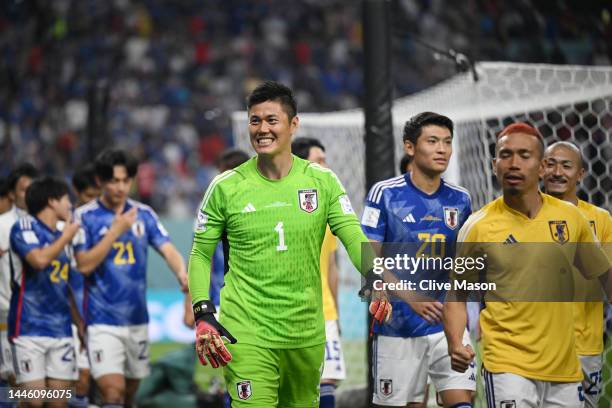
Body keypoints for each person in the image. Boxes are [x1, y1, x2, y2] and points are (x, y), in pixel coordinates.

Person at [188, 81, 390, 407]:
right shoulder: (225, 187)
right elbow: (200, 253)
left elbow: (352, 232)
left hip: (305, 333)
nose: (262, 129)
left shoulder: (322, 181)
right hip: (246, 332)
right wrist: (202, 312)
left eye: (272, 120)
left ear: (293, 125)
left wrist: (375, 275)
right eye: (255, 121)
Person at [444, 123, 611, 407]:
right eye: (505, 155)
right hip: (508, 366)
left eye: (524, 155)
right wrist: (456, 342)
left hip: (565, 369)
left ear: (542, 166)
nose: (513, 163)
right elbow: (457, 296)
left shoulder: (572, 219)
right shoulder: (478, 227)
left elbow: (605, 277)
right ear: (495, 165)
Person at [362, 112, 475, 408]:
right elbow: (367, 256)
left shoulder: (461, 200)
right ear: (410, 147)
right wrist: (410, 297)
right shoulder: (384, 194)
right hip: (397, 327)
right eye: (433, 141)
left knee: (462, 400)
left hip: (446, 324)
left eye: (447, 142)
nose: (442, 149)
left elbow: (462, 266)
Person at [73, 149, 188, 408]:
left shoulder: (143, 214)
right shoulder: (85, 218)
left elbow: (168, 249)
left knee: (129, 395)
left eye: (126, 180)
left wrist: (182, 274)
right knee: (113, 393)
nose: (121, 187)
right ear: (101, 181)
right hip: (102, 321)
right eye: (114, 181)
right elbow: (84, 266)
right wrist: (115, 231)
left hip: (137, 319)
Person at [543, 141, 611, 407]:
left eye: (567, 165)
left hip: (584, 344)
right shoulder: (523, 215)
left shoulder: (601, 219)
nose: (557, 171)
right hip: (537, 344)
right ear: (540, 169)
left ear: (581, 174)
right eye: (550, 164)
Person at [8, 176, 81, 408]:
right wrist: (65, 237)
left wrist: (80, 325)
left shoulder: (63, 234)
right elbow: (38, 260)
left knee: (58, 403)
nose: (70, 204)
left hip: (61, 329)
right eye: (65, 199)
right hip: (29, 328)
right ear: (51, 201)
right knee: (33, 401)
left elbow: (66, 286)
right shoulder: (24, 227)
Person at [292, 137, 345, 408]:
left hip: (324, 313)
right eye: (319, 159)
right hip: (289, 314)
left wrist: (336, 313)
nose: (326, 165)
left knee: (327, 381)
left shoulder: (327, 209)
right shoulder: (284, 207)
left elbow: (332, 267)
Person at [0, 163, 39, 387]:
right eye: (23, 189)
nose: (29, 194)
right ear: (13, 194)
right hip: (9, 314)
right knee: (15, 380)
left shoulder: (51, 224)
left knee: (55, 388)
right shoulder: (2, 225)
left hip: (45, 318)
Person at [68, 164, 101, 408]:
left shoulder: (104, 226)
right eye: (88, 196)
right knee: (79, 379)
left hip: (100, 314)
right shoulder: (65, 228)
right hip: (70, 314)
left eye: (96, 197)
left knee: (99, 382)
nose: (93, 203)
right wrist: (77, 319)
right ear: (76, 193)